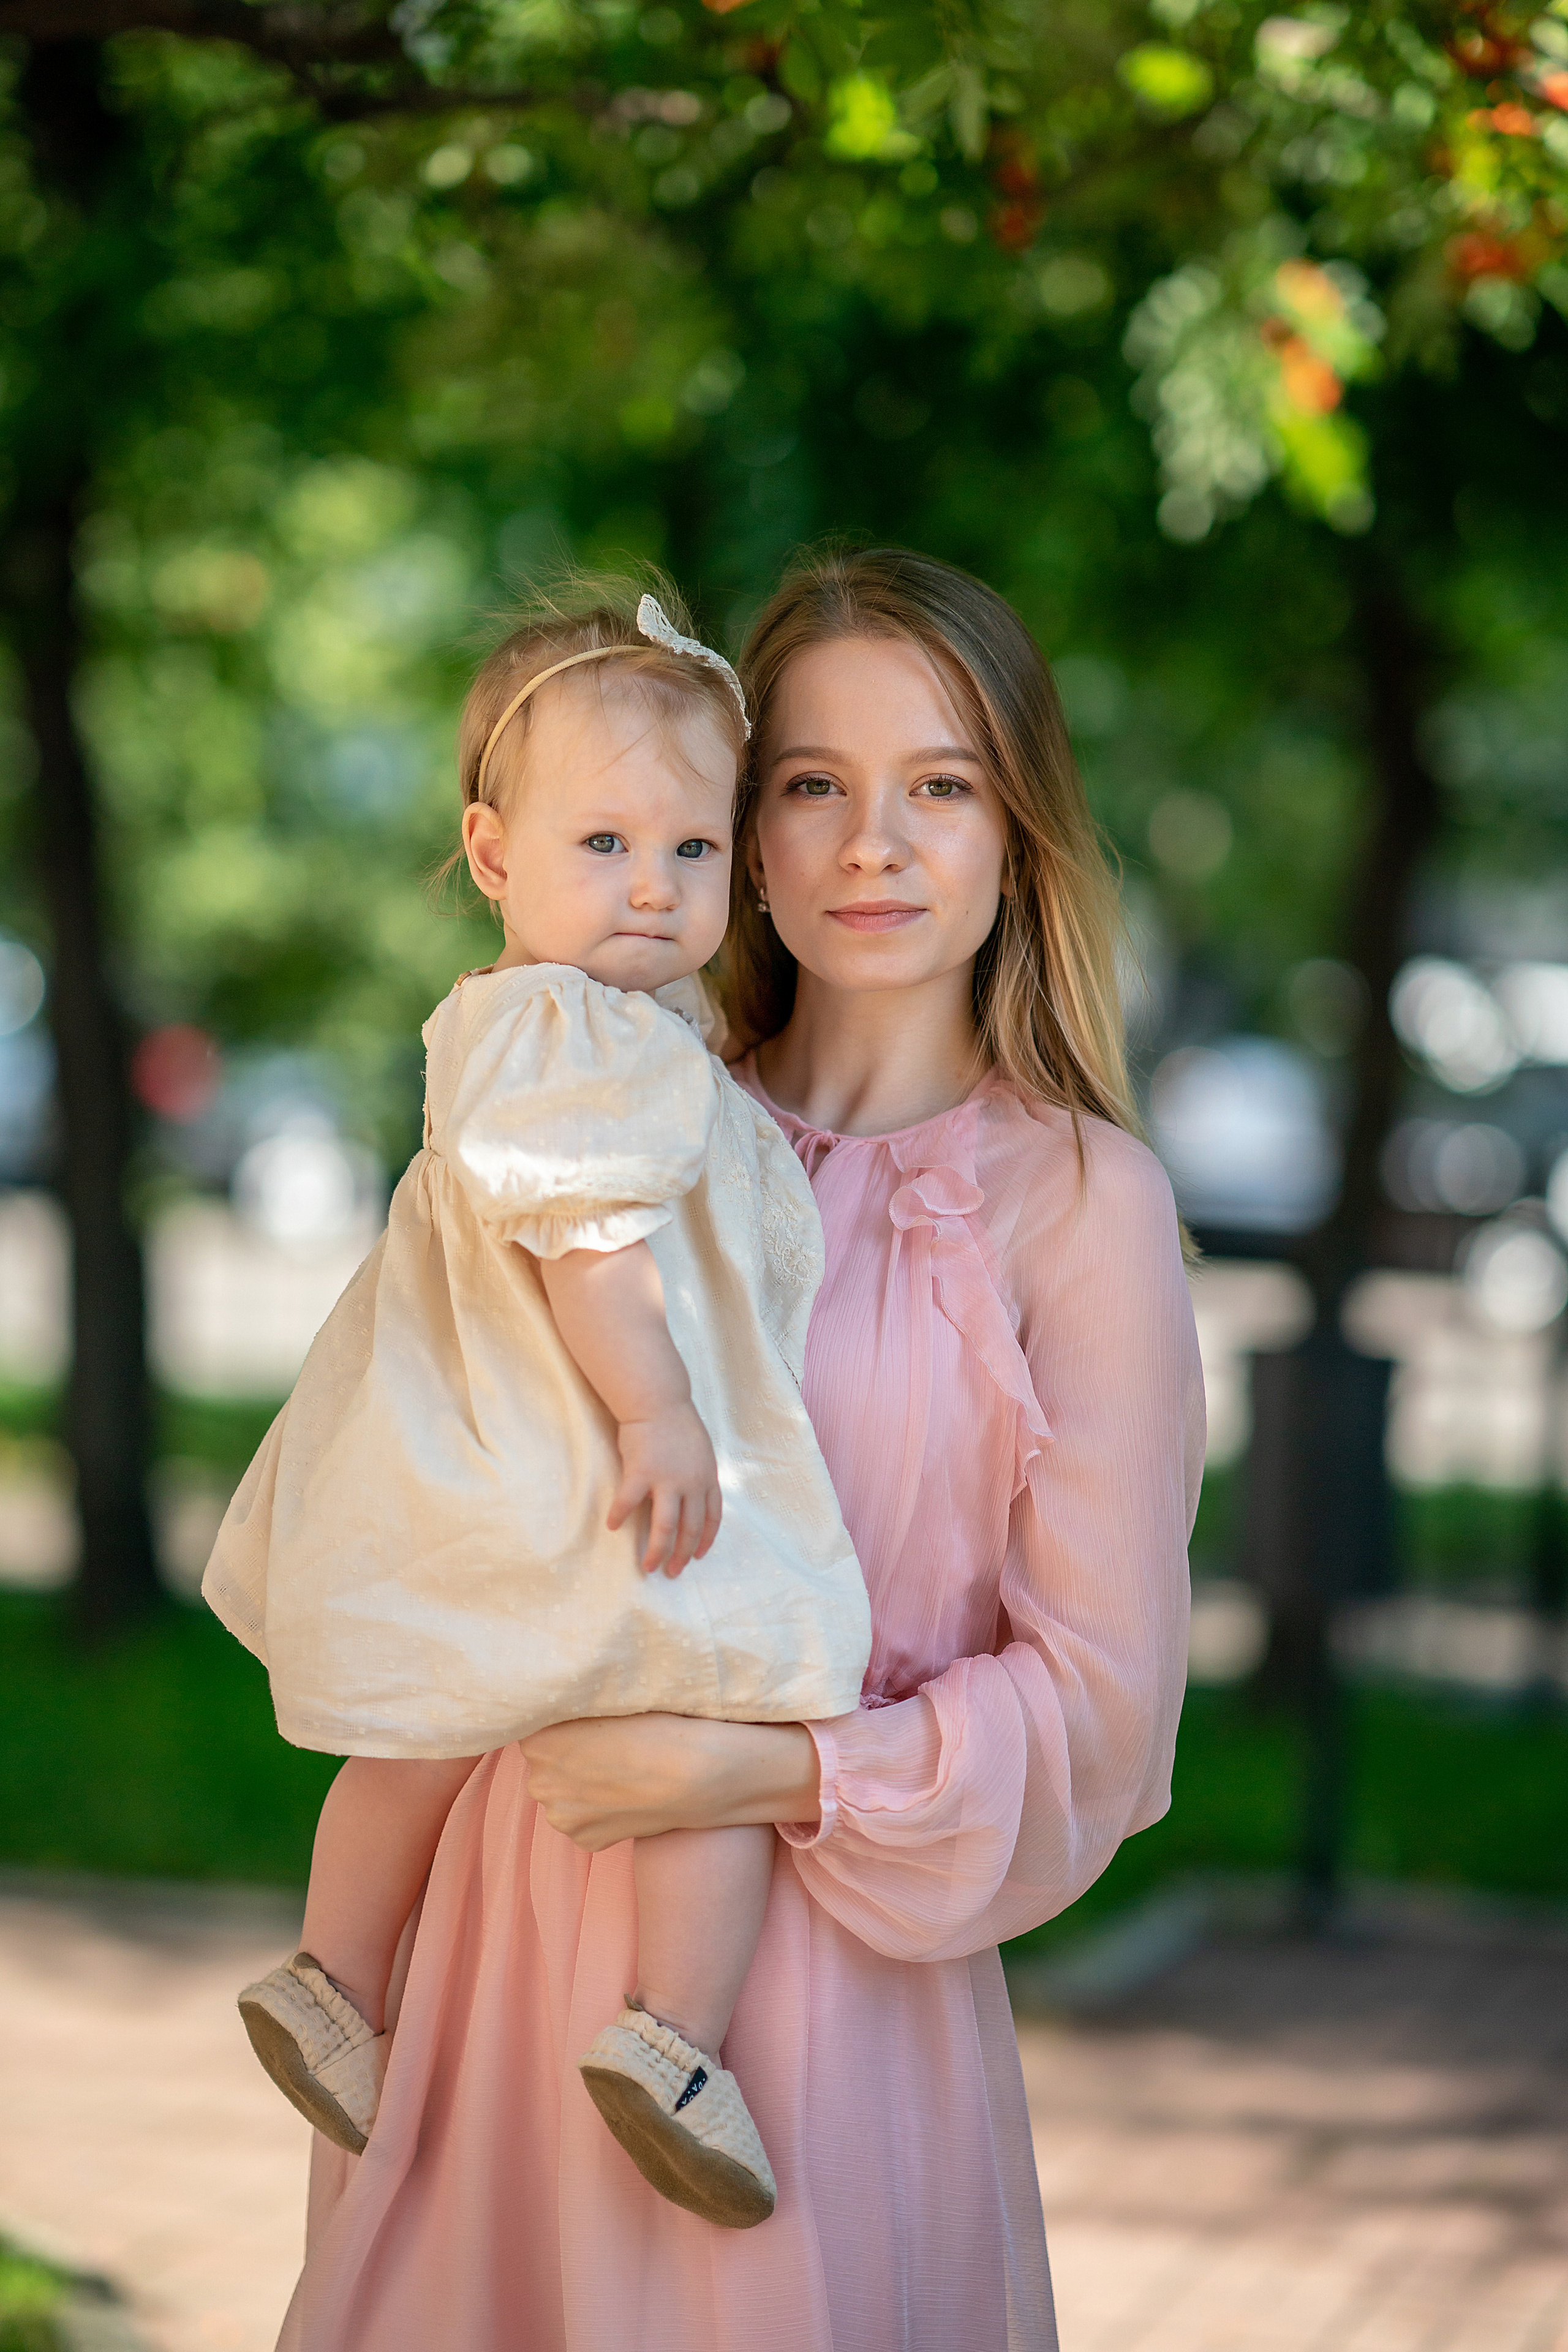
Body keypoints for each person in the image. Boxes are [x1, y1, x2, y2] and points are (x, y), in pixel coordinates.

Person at [274, 546, 1204, 2352]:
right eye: (812, 788)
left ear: (1015, 835)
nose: (874, 845)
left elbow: (1103, 1716)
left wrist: (752, 1776)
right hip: (504, 1930)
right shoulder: (602, 1114)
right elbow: (420, 1452)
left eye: (940, 788)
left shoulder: (1084, 1204)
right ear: (741, 830)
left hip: (817, 2006)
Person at [201, 582, 871, 2233]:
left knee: (422, 1727)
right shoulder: (572, 1032)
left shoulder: (572, 1024)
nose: (653, 884)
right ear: (494, 855)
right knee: (742, 1680)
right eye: (603, 847)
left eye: (693, 852)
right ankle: (673, 2041)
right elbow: (594, 1244)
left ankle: (332, 1979)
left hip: (486, 1462)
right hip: (589, 1450)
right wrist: (659, 1416)